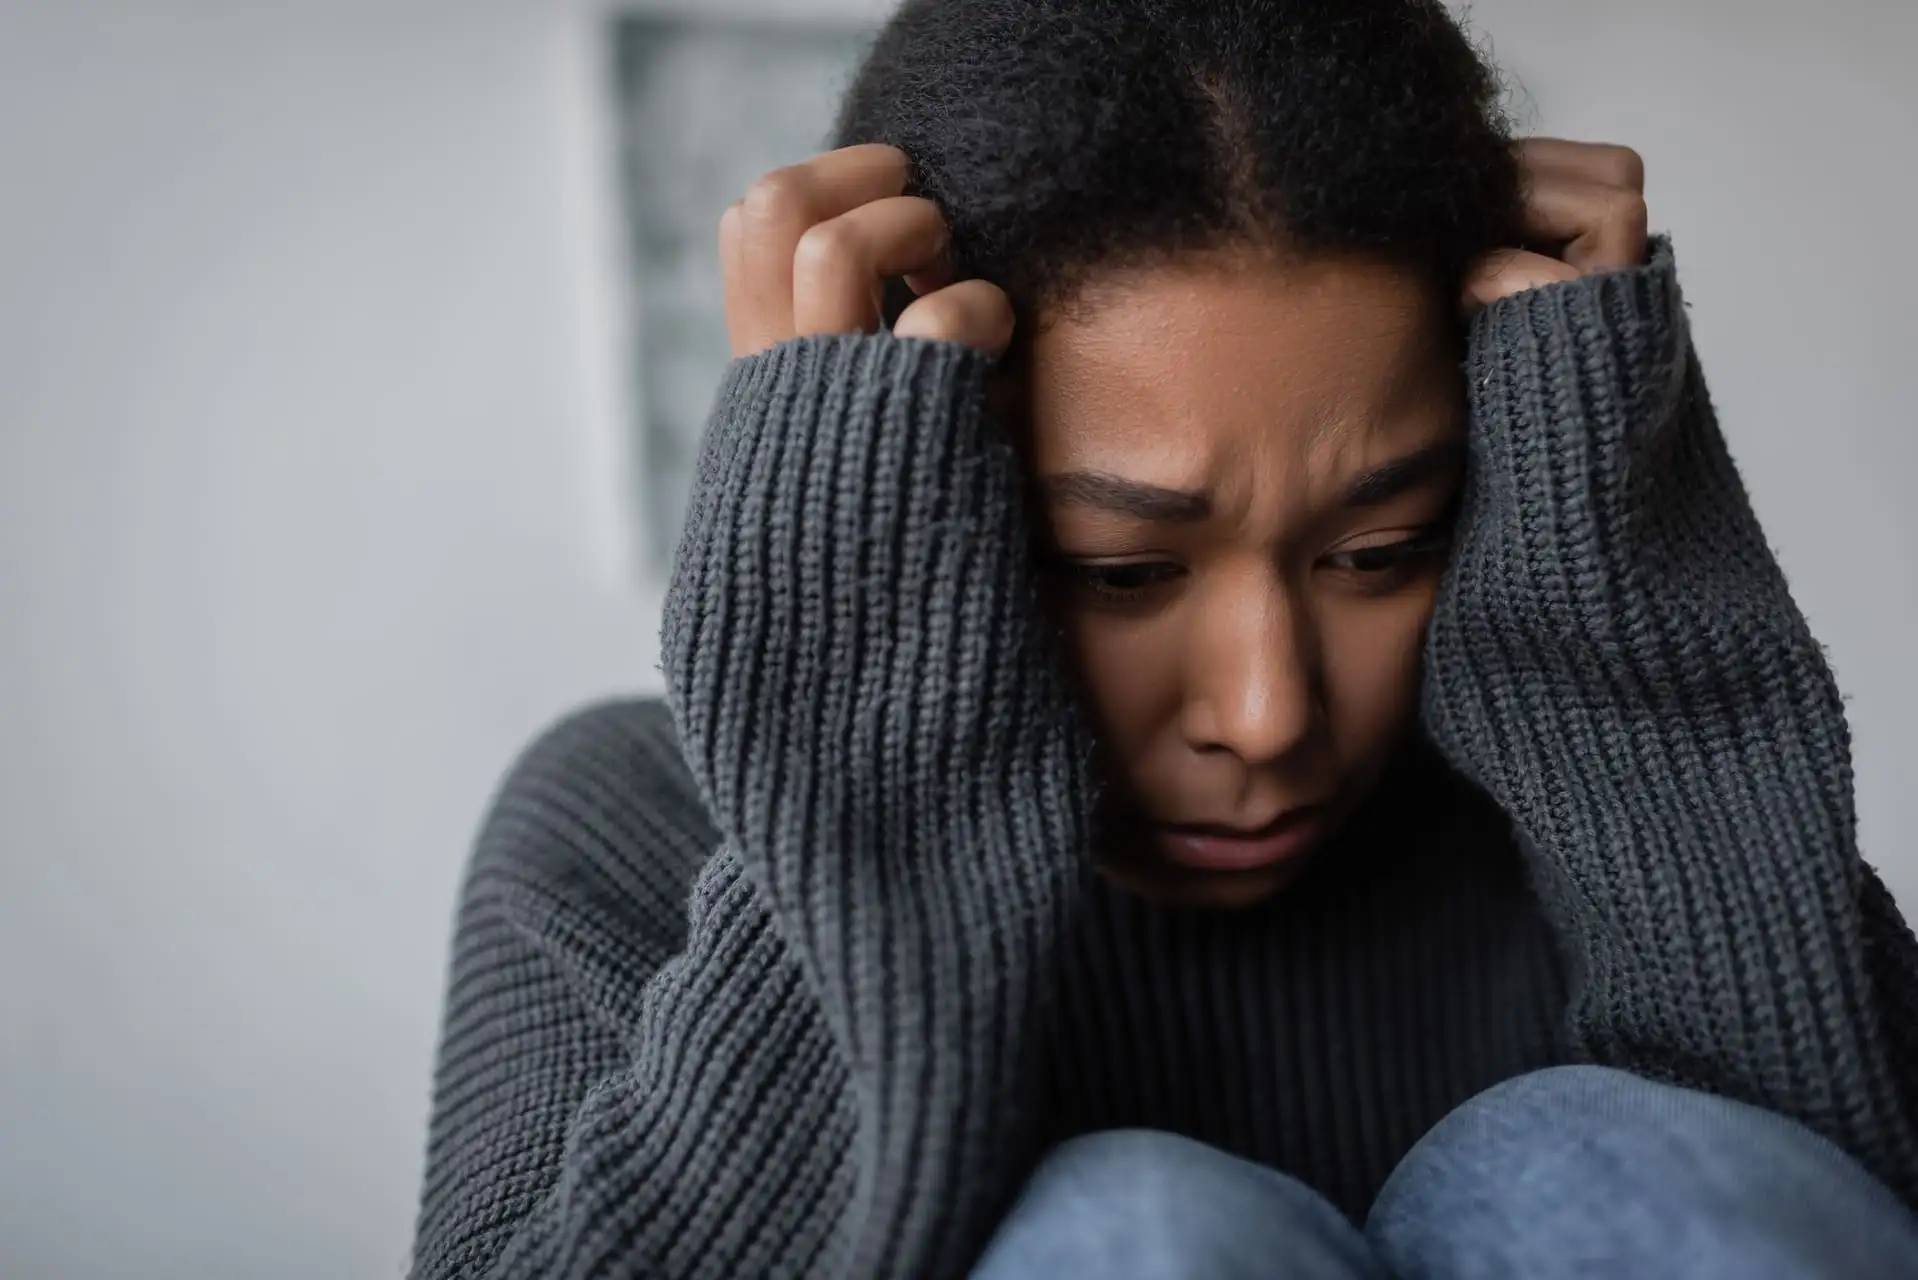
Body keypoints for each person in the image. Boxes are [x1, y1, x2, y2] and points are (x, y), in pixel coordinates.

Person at [410, 2, 1918, 1276]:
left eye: (1381, 550)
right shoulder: (621, 823)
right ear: (908, 504)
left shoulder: (1580, 821)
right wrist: (856, 769)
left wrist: (1626, 622)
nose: (1265, 715)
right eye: (1117, 571)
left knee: (1593, 1165)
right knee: (1133, 1231)